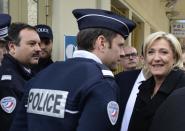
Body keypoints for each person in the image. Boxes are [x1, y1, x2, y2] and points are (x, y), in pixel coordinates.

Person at [10, 8, 136, 131]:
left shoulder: (43, 74)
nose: (122, 53)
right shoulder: (101, 83)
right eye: (120, 45)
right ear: (101, 42)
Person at [128, 31, 185, 131]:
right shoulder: (144, 87)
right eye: (151, 52)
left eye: (164, 52)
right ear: (144, 58)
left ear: (175, 57)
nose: (156, 58)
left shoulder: (182, 85)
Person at [0, 22, 41, 131]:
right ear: (12, 47)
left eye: (38, 44)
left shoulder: (27, 73)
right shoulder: (8, 83)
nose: (38, 49)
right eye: (32, 44)